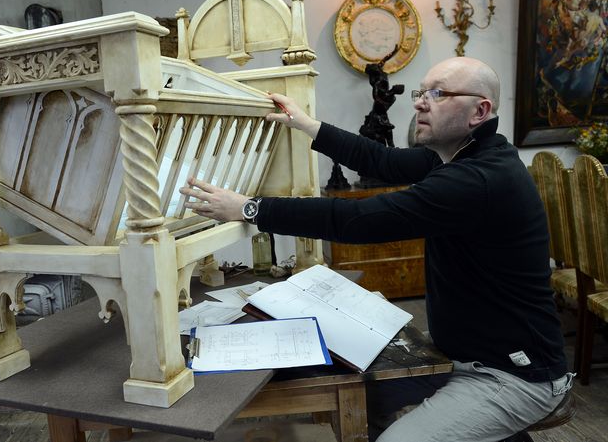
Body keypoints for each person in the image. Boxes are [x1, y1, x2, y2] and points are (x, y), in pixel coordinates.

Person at [179, 57, 572, 442]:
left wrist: (251, 208)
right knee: (360, 398)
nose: (419, 101)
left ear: (479, 110)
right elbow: (380, 159)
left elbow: (360, 218)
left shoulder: (479, 179)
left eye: (436, 93)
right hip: (463, 357)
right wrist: (305, 123)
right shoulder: (458, 156)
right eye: (421, 92)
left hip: (512, 375)